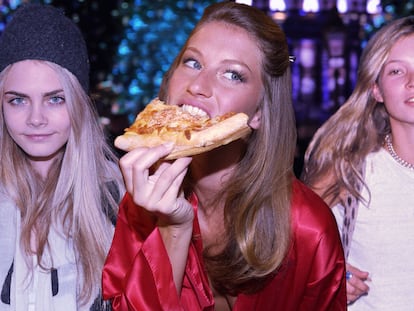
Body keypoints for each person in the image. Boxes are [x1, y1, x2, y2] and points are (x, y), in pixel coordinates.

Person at [102, 2, 346, 310]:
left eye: (232, 74)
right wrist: (173, 228)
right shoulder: (145, 197)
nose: (198, 86)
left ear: (259, 112)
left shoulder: (308, 228)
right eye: (192, 62)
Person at [0, 3, 124, 310]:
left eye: (55, 99)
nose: (36, 118)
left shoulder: (115, 197)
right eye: (18, 100)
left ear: (78, 103)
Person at [302, 16, 414, 310]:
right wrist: (332, 273)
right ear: (376, 90)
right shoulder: (349, 171)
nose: (413, 82)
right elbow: (289, 252)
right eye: (396, 71)